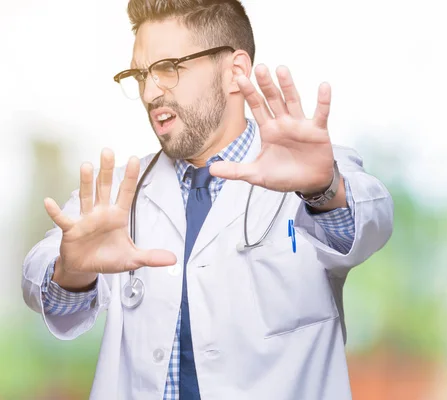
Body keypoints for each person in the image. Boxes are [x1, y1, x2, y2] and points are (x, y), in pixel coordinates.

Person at [22, 1, 393, 399]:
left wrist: (323, 190)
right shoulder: (118, 196)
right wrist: (73, 274)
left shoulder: (310, 174)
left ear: (235, 71)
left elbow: (367, 226)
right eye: (141, 74)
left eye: (168, 68)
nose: (149, 93)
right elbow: (46, 287)